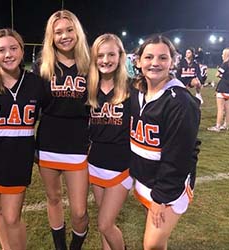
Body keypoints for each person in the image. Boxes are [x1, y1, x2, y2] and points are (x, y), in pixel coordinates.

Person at [130, 35, 201, 250]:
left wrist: (161, 198)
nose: (155, 63)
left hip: (169, 187)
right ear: (139, 61)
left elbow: (179, 157)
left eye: (163, 57)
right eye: (149, 57)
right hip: (146, 178)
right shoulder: (136, 92)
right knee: (159, 244)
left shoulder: (180, 101)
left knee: (151, 245)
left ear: (172, 61)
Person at [0, 28, 45, 250]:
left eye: (13, 48)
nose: (8, 54)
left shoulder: (36, 83)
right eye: (1, 50)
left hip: (18, 160)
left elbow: (53, 115)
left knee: (12, 218)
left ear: (22, 51)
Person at [33, 10, 90, 250]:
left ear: (77, 32)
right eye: (58, 32)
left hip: (78, 143)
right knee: (54, 198)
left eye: (69, 30)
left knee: (79, 210)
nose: (64, 36)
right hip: (48, 143)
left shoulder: (90, 64)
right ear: (51, 36)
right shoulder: (41, 66)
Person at [87, 33, 132, 250]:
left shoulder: (133, 89)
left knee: (105, 224)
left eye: (111, 54)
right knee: (106, 223)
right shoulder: (89, 88)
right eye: (100, 55)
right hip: (95, 163)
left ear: (120, 56)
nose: (105, 60)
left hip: (121, 165)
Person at [207, 47, 229, 132]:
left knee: (220, 109)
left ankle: (217, 127)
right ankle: (226, 125)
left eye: (223, 53)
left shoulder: (225, 64)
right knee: (227, 109)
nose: (221, 55)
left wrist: (221, 75)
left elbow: (217, 74)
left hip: (222, 88)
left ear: (226, 54)